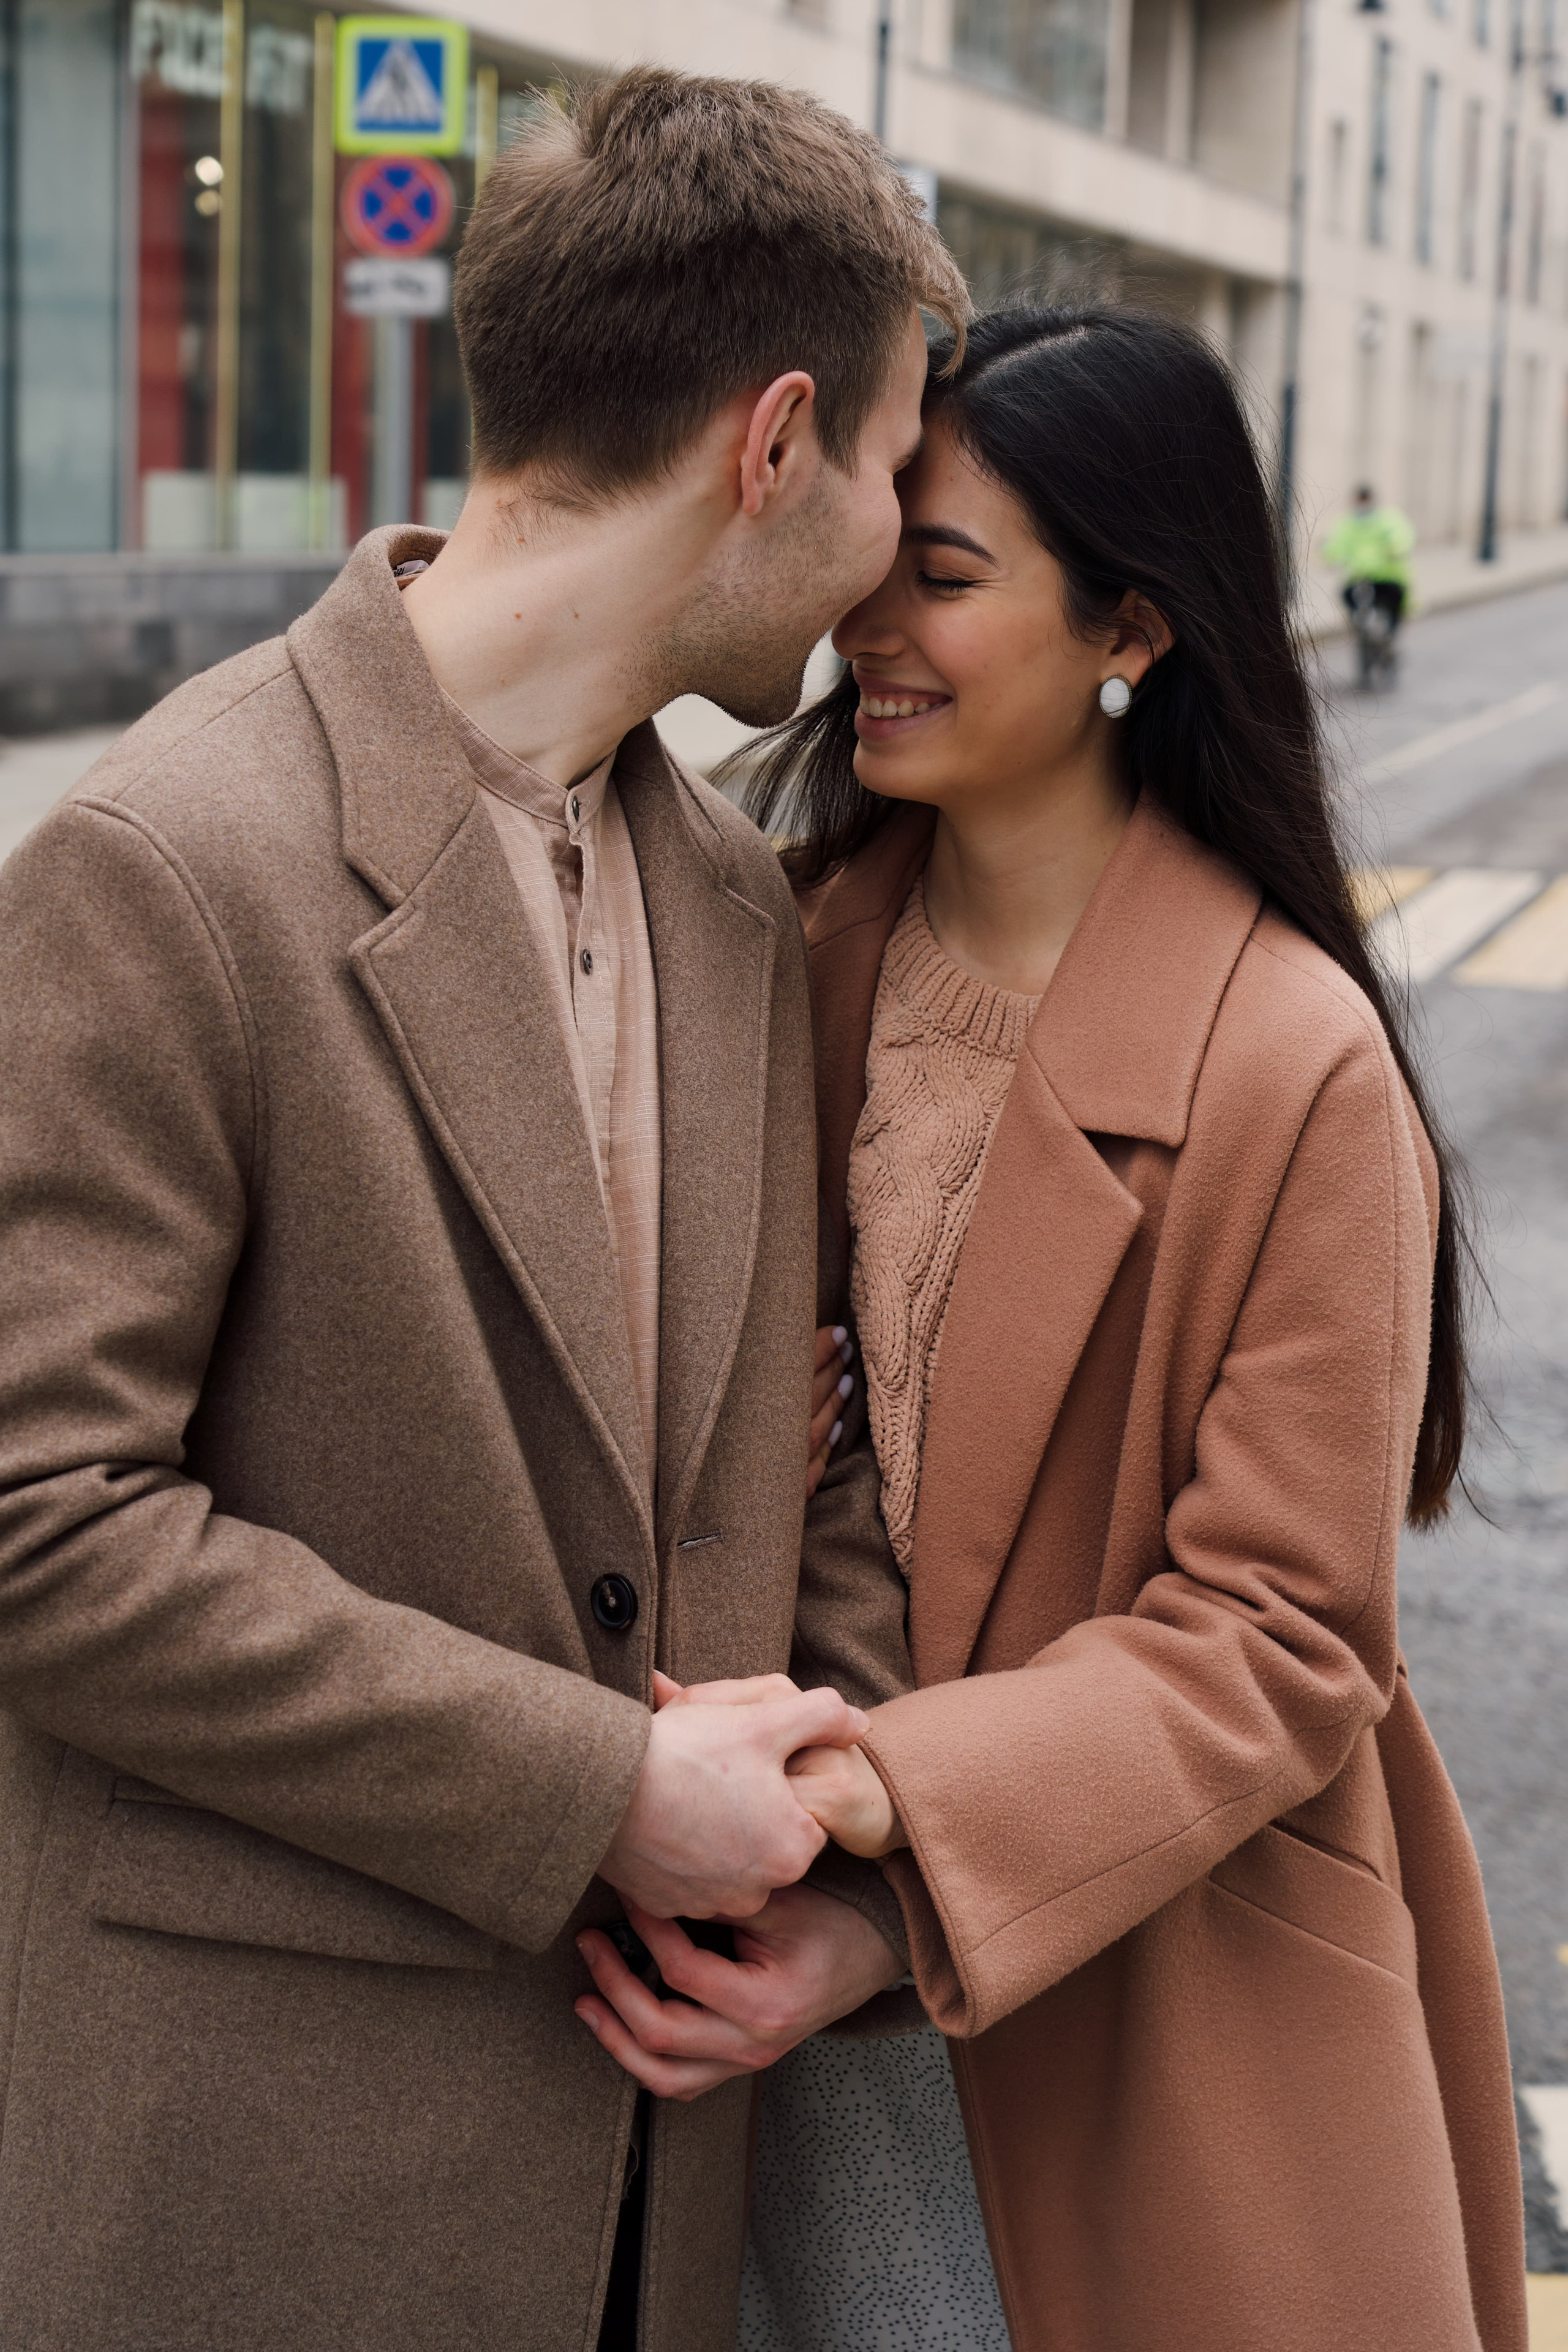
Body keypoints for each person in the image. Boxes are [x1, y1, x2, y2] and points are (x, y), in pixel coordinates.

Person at [0, 69, 968, 2352]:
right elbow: (37, 1525)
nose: (902, 530)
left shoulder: (737, 902)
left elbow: (779, 1462)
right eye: (897, 462)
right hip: (268, 2193)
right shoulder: (166, 865)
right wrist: (599, 1786)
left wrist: (851, 1833)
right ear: (775, 442)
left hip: (652, 2183)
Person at [571, 309, 1527, 2352]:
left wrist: (870, 1849)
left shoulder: (1292, 1063)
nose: (871, 631)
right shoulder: (781, 948)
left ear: (1134, 633)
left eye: (948, 576)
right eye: (871, 564)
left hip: (1144, 1981)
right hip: (745, 1958)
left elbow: (1276, 1640)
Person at [1324, 481, 1417, 641]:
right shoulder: (1348, 522)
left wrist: (1396, 548)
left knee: (1397, 598)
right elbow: (1336, 543)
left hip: (1387, 575)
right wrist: (1329, 555)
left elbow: (1401, 535)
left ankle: (1391, 635)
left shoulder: (1387, 519)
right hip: (1358, 577)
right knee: (1347, 595)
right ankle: (1358, 627)